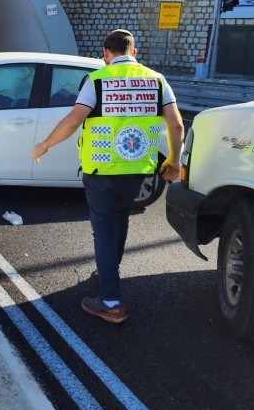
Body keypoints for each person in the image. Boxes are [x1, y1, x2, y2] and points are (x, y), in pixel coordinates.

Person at [32, 29, 184, 324]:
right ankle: (109, 271)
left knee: (103, 231)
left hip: (101, 170)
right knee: (121, 220)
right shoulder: (157, 80)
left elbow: (75, 119)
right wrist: (174, 161)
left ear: (105, 53)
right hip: (137, 168)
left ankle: (110, 302)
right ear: (134, 52)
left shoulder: (97, 80)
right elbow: (176, 125)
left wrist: (45, 144)